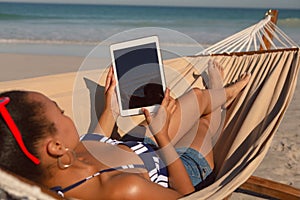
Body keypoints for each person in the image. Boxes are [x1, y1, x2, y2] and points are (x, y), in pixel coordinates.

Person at [0, 61, 250, 200]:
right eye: (61, 112)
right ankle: (224, 97)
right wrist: (161, 134)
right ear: (55, 147)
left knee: (193, 98)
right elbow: (186, 196)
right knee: (205, 121)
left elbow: (97, 141)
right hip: (181, 169)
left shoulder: (60, 162)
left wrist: (111, 109)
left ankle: (220, 94)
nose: (66, 112)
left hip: (138, 149)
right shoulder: (123, 188)